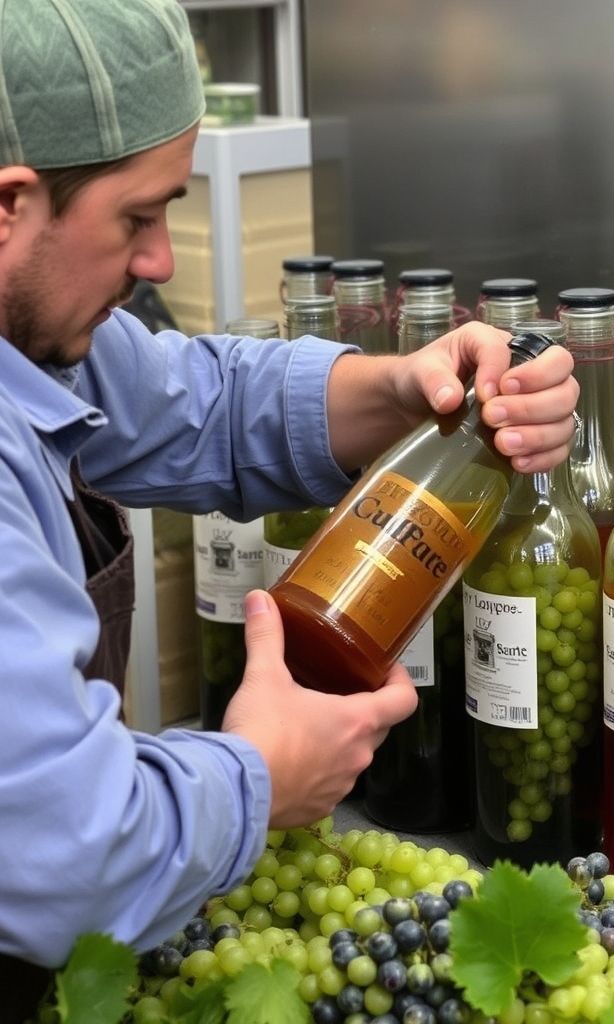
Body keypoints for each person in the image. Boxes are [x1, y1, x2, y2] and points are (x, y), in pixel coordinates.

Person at [0, 0, 579, 997]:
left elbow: (203, 404)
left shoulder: (32, 343)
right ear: (10, 206)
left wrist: (407, 385)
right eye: (136, 217)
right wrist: (258, 778)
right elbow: (73, 859)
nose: (160, 264)